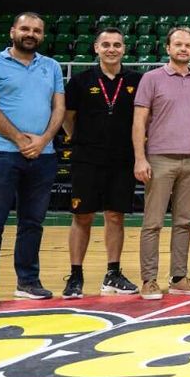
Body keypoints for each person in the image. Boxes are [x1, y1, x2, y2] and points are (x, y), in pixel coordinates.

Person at [0, 12, 64, 307]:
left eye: (36, 30)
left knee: (32, 222)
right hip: (1, 154)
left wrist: (43, 140)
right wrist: (20, 140)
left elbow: (59, 108)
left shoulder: (51, 66)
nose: (31, 34)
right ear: (13, 31)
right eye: (25, 28)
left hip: (43, 155)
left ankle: (28, 281)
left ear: (42, 35)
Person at [133, 26, 190, 300]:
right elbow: (139, 122)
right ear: (168, 48)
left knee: (184, 222)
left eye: (188, 45)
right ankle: (149, 280)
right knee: (152, 222)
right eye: (178, 44)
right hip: (159, 159)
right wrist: (140, 158)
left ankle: (179, 278)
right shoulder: (151, 78)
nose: (183, 49)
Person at [62, 27, 141, 298]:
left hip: (122, 159)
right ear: (96, 48)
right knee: (82, 216)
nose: (111, 49)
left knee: (115, 216)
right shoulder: (80, 81)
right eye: (106, 44)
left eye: (117, 45)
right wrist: (81, 139)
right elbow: (67, 118)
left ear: (124, 49)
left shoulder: (136, 80)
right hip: (87, 159)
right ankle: (75, 275)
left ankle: (113, 274)